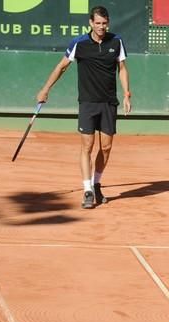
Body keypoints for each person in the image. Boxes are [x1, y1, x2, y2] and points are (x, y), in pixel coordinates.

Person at [36, 5, 131, 209]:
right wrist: (45, 89)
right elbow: (61, 66)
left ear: (108, 23)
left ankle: (97, 184)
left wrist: (126, 94)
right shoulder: (79, 43)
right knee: (87, 147)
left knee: (105, 147)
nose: (101, 27)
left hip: (108, 102)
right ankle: (87, 190)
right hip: (87, 103)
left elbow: (122, 69)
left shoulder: (116, 41)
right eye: (97, 23)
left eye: (104, 23)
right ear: (90, 23)